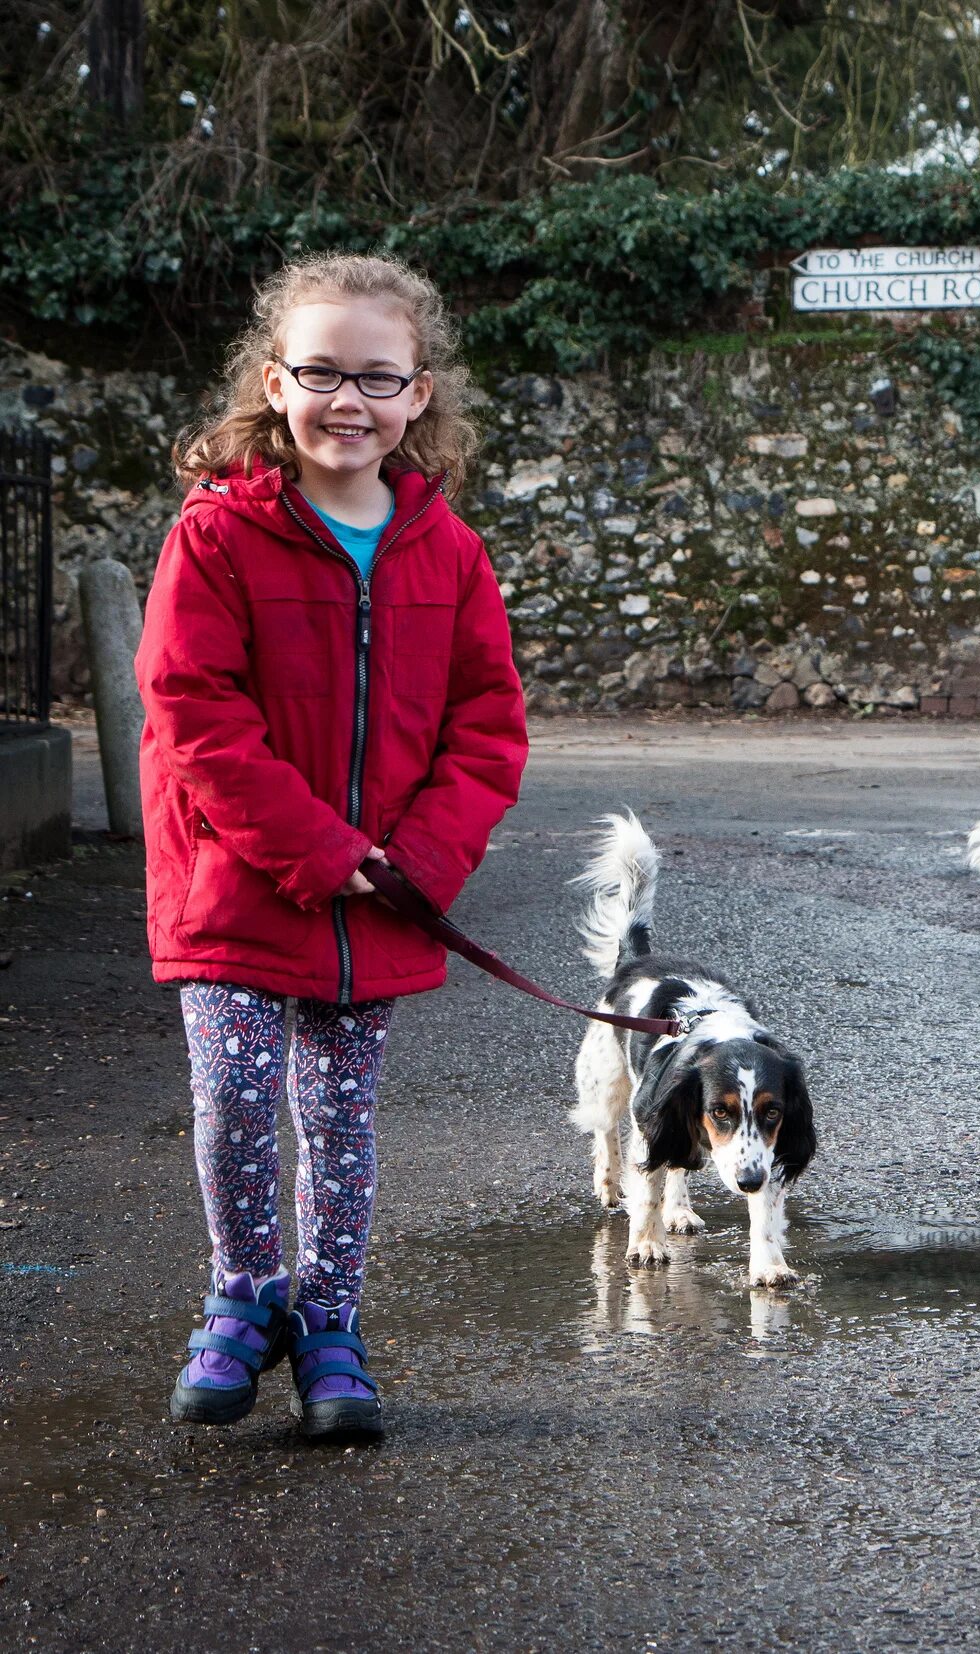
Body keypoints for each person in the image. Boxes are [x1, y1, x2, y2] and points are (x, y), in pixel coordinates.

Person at [138, 253, 527, 1437]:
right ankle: (244, 1293)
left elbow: (487, 722)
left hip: (379, 899)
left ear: (419, 395)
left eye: (376, 376)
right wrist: (314, 845)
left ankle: (331, 1321)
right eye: (320, 372)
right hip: (241, 880)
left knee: (343, 1114)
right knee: (238, 1098)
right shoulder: (216, 534)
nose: (346, 400)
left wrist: (418, 859)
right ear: (273, 382)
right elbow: (190, 707)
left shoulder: (447, 551)